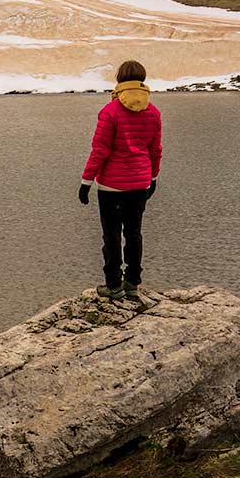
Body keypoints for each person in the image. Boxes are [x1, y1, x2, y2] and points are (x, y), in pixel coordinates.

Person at [78, 59, 162, 300]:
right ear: (142, 80)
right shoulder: (153, 112)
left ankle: (113, 284)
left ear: (119, 80)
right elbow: (155, 150)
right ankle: (133, 282)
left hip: (112, 186)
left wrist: (86, 182)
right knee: (134, 233)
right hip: (140, 183)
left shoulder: (110, 112)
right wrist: (153, 177)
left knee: (112, 235)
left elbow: (100, 150)